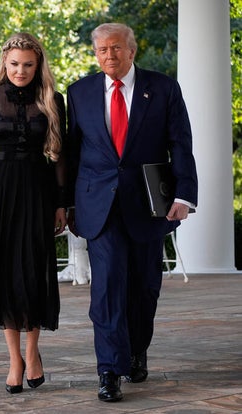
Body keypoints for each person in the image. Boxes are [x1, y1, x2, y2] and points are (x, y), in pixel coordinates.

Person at [66, 23, 198, 402]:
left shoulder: (163, 88)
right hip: (100, 206)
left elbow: (180, 143)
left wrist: (184, 195)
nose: (109, 55)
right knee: (107, 288)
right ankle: (109, 370)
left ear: (132, 50)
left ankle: (137, 350)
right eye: (102, 50)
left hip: (149, 205)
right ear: (96, 54)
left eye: (116, 48)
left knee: (144, 287)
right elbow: (72, 152)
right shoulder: (79, 92)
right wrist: (67, 203)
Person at [0, 33, 68, 394]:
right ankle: (14, 360)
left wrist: (61, 203)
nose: (20, 71)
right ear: (4, 63)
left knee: (33, 273)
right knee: (4, 274)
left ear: (38, 66)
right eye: (14, 64)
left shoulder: (52, 99)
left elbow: (61, 157)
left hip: (38, 194)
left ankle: (33, 352)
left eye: (28, 65)